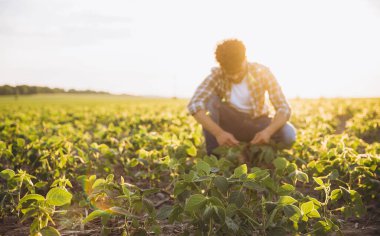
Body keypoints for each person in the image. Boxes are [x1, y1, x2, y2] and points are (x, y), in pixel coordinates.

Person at [187, 39, 296, 155]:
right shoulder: (217, 75)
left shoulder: (262, 72)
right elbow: (194, 104)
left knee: (288, 134)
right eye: (230, 73)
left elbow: (283, 108)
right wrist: (219, 133)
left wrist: (268, 132)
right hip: (231, 124)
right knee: (211, 100)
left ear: (245, 59)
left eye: (238, 71)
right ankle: (215, 155)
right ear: (221, 67)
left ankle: (260, 150)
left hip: (259, 122)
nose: (235, 76)